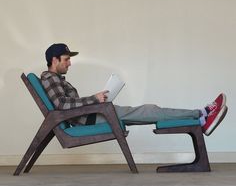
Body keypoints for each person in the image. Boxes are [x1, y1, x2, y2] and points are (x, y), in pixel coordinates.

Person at [41, 43, 228, 136]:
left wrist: (97, 100)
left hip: (94, 114)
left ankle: (201, 119)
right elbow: (62, 104)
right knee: (149, 110)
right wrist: (95, 99)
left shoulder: (56, 79)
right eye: (66, 59)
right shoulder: (49, 78)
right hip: (92, 117)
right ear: (55, 60)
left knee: (149, 112)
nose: (70, 63)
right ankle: (201, 114)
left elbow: (65, 104)